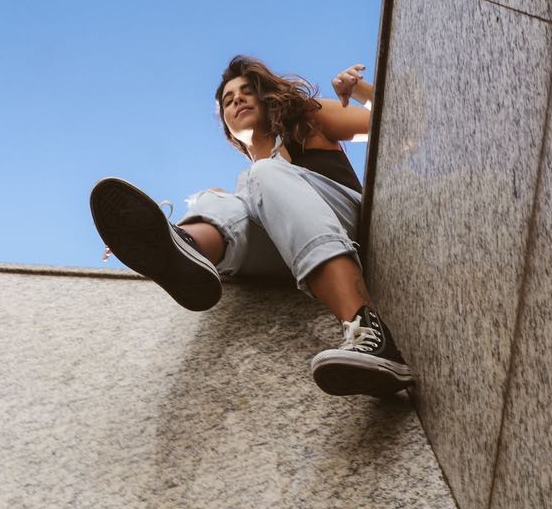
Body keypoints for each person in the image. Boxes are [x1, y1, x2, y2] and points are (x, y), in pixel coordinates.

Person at [90, 55, 413, 397]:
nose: (238, 100)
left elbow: (401, 126)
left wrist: (360, 89)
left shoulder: (307, 123)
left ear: (266, 96)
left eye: (246, 92)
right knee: (218, 196)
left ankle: (369, 333)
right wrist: (140, 241)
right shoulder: (246, 192)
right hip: (289, 252)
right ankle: (180, 245)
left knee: (259, 176)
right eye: (229, 100)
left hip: (345, 223)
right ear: (228, 125)